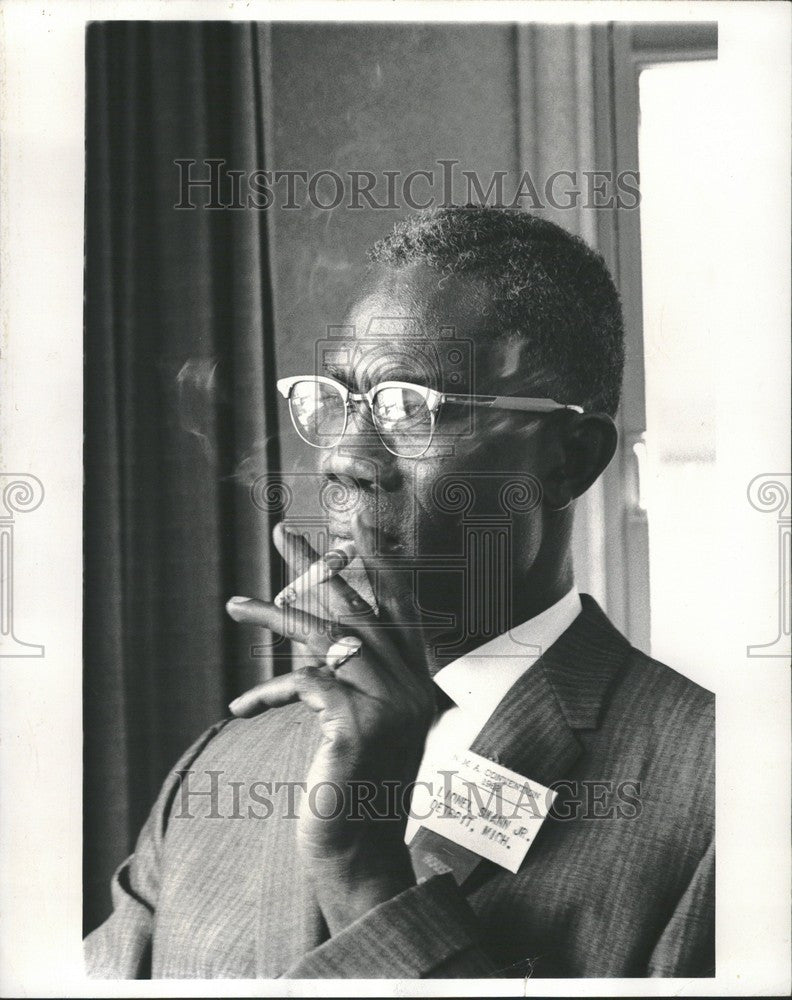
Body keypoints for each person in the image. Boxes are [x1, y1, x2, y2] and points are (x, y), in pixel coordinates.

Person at [85, 207, 714, 979]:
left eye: (409, 408)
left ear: (569, 459)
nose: (343, 460)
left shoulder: (725, 792)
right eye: (335, 401)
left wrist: (364, 875)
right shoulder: (220, 770)